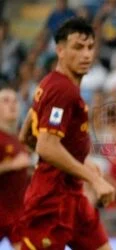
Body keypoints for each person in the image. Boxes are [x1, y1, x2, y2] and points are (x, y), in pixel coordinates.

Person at [18, 17, 115, 250]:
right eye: (78, 47)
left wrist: (80, 161)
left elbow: (27, 135)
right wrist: (94, 179)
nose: (86, 55)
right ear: (60, 50)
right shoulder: (61, 90)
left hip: (74, 198)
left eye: (90, 47)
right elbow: (45, 146)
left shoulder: (51, 84)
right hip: (50, 202)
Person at [0, 87, 31, 250]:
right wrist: (11, 165)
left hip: (17, 215)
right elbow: (15, 164)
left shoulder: (18, 139)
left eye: (15, 101)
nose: (12, 105)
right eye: (6, 101)